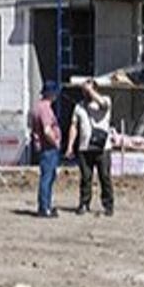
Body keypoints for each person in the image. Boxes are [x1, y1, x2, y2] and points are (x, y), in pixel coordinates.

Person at [71, 78, 116, 217]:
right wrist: (70, 145)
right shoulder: (79, 106)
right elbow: (74, 126)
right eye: (84, 90)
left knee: (105, 176)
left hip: (103, 148)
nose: (86, 92)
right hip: (84, 147)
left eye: (89, 89)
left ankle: (108, 205)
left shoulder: (105, 100)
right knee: (86, 177)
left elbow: (103, 104)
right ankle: (84, 203)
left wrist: (90, 91)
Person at [27, 80, 64, 218]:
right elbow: (47, 130)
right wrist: (55, 142)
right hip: (48, 148)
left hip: (43, 147)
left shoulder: (37, 107)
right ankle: (44, 208)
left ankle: (46, 205)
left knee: (48, 176)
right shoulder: (45, 109)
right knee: (47, 177)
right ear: (51, 94)